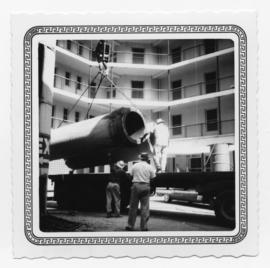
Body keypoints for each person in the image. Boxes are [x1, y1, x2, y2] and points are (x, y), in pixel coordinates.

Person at [125, 153, 156, 231]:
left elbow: (130, 175)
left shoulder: (135, 165)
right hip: (146, 186)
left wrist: (133, 182)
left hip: (136, 185)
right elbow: (153, 178)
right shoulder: (150, 167)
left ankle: (130, 226)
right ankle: (144, 227)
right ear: (147, 159)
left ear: (140, 158)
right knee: (145, 207)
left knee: (133, 207)